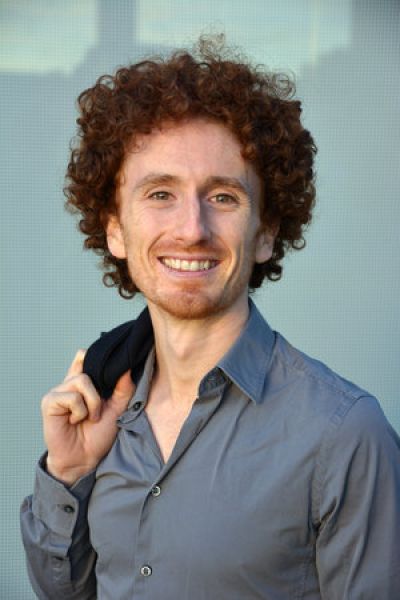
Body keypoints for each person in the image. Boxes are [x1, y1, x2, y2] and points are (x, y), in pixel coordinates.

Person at [21, 37, 400, 599]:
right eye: (160, 194)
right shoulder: (100, 414)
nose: (192, 229)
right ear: (115, 229)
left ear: (265, 232)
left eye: (223, 197)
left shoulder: (345, 435)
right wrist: (69, 475)